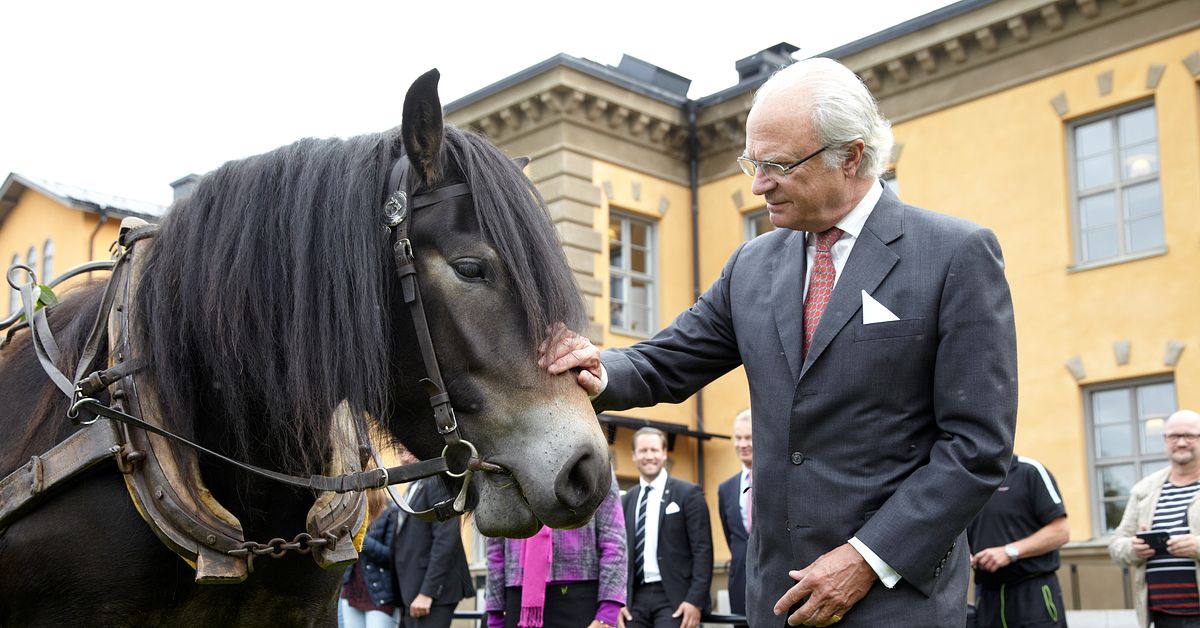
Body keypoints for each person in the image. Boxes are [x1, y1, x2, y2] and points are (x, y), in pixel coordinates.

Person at [539, 55, 1017, 627]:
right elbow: (666, 361)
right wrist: (595, 368)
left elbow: (977, 447)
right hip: (774, 603)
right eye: (752, 162)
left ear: (851, 156)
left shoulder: (954, 255)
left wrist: (865, 560)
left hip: (895, 603)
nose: (759, 183)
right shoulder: (752, 265)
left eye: (778, 165)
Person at [483, 472, 627, 628]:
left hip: (580, 600)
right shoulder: (506, 466)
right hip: (517, 599)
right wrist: (494, 615)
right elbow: (495, 546)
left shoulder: (591, 460)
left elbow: (614, 540)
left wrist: (607, 614)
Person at [1110, 409, 1200, 628]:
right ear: (1165, 440)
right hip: (1162, 616)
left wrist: (1198, 545)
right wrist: (1134, 548)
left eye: (1189, 436)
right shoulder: (1145, 490)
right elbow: (1115, 545)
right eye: (1173, 436)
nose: (1180, 443)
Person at [620, 427, 713, 628]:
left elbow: (703, 550)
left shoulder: (689, 494)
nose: (649, 456)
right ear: (634, 456)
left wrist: (695, 600)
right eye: (643, 451)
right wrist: (617, 600)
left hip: (675, 597)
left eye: (654, 450)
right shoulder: (626, 500)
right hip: (634, 598)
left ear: (664, 453)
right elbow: (618, 553)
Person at [967, 455, 1070, 628]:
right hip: (986, 597)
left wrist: (1010, 551)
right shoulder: (966, 480)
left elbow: (1061, 531)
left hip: (1032, 594)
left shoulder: (1030, 471)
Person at [392, 447, 476, 628]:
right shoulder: (414, 486)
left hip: (432, 596)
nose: (405, 459)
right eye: (400, 452)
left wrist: (427, 593)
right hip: (410, 593)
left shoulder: (438, 482)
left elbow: (446, 539)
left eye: (409, 450)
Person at [341, 488, 401, 628]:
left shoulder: (392, 512)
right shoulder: (351, 511)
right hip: (351, 591)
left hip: (381, 595)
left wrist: (361, 538)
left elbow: (390, 557)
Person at [717, 409, 753, 625]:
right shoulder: (726, 488)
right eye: (738, 438)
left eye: (748, 437)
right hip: (739, 581)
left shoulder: (776, 481)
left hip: (776, 580)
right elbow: (731, 534)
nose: (742, 444)